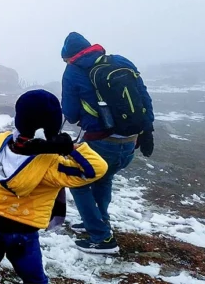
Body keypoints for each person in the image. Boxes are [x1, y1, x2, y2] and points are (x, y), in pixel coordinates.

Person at [0, 90, 108, 284]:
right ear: (54, 126)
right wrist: (71, 148)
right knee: (34, 278)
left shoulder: (1, 143)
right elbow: (97, 169)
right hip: (23, 230)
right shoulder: (52, 163)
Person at [60, 32, 155, 254]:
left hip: (100, 142)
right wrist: (147, 129)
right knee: (104, 178)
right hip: (130, 141)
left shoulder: (73, 71)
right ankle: (99, 222)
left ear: (69, 56)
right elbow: (143, 96)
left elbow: (71, 114)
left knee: (77, 181)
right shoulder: (120, 62)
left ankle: (101, 237)